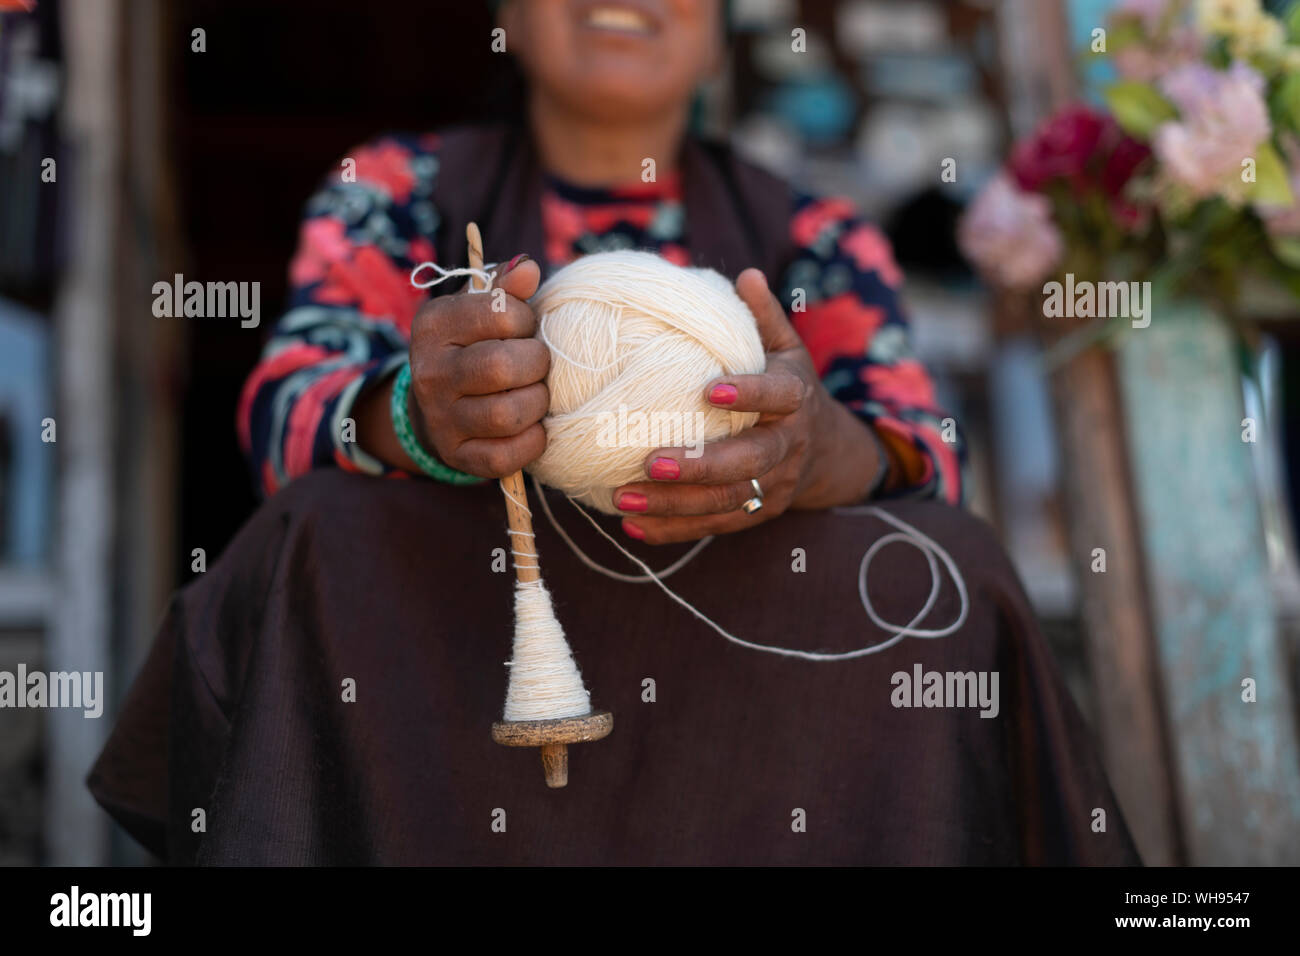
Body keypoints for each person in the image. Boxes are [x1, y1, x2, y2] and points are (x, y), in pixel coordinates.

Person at [87, 0, 1140, 865]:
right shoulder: (396, 195)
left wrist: (819, 451)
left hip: (755, 737)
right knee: (318, 524)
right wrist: (414, 411)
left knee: (951, 559)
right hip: (450, 718)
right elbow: (284, 411)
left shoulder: (815, 234)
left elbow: (929, 451)